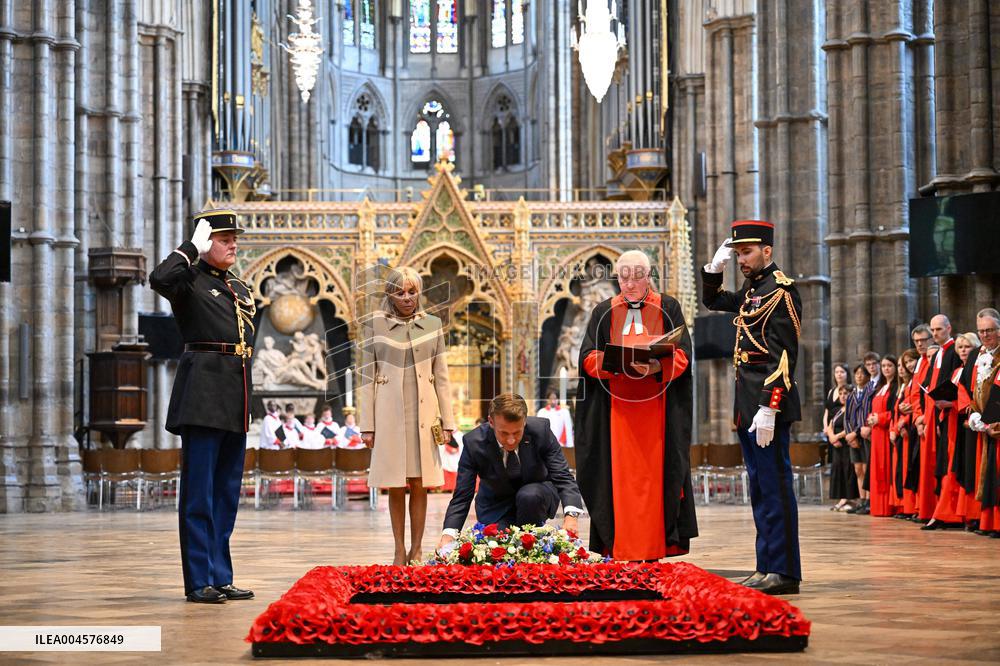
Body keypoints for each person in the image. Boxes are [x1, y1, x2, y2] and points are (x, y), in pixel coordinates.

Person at [148, 209, 256, 604]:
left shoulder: (240, 288)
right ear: (206, 241)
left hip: (235, 395)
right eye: (224, 239)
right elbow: (159, 277)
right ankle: (198, 580)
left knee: (226, 495)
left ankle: (220, 574)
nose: (233, 245)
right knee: (199, 495)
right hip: (202, 397)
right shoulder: (187, 280)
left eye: (234, 239)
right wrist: (191, 246)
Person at [574, 250, 697, 561]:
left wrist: (656, 366)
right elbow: (587, 357)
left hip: (658, 414)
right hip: (617, 416)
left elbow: (682, 354)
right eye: (623, 276)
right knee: (620, 483)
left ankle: (654, 548)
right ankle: (621, 548)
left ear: (649, 275)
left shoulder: (668, 306)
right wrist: (615, 364)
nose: (629, 283)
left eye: (637, 275)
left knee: (655, 483)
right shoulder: (603, 311)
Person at [701, 220, 801, 595]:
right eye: (738, 253)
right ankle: (766, 565)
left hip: (767, 408)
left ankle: (785, 570)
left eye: (747, 253)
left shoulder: (781, 291)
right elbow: (713, 301)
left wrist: (770, 407)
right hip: (749, 406)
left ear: (768, 252)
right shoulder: (753, 290)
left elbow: (785, 355)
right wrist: (715, 269)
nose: (742, 259)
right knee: (760, 488)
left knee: (775, 486)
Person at [359, 266, 456, 565]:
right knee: (396, 484)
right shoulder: (374, 324)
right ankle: (399, 549)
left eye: (412, 292)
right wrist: (367, 425)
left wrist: (449, 422)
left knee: (419, 483)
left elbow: (442, 377)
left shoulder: (432, 324)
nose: (406, 298)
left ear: (419, 293)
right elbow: (365, 376)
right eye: (400, 292)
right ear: (389, 293)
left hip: (424, 415)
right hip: (388, 414)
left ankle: (416, 550)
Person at [436, 394, 584, 553]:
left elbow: (562, 476)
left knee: (529, 497)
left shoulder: (541, 431)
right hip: (495, 505)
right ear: (491, 422)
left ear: (525, 421)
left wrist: (571, 516)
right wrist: (448, 534)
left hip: (535, 497)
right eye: (504, 433)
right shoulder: (474, 443)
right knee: (500, 551)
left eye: (517, 432)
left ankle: (533, 542)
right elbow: (462, 495)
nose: (511, 440)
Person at [917, 314, 962, 529]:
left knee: (949, 463)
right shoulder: (937, 354)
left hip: (951, 414)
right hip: (938, 414)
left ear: (949, 328)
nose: (935, 334)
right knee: (940, 465)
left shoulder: (953, 351)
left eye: (939, 330)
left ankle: (948, 514)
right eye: (933, 330)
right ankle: (938, 511)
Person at [964, 309, 1000, 536]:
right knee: (989, 476)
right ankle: (990, 523)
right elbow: (971, 389)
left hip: (997, 423)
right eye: (982, 331)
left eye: (990, 330)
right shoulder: (979, 355)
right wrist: (975, 416)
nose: (985, 335)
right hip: (986, 425)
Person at [866, 356, 899, 517]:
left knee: (885, 468)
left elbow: (894, 411)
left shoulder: (895, 388)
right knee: (877, 469)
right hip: (877, 434)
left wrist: (880, 418)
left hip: (886, 433)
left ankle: (887, 506)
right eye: (884, 366)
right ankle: (877, 507)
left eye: (889, 365)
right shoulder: (881, 387)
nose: (886, 369)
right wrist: (871, 418)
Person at [890, 349, 921, 518]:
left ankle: (911, 507)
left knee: (910, 468)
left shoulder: (912, 382)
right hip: (904, 431)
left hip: (911, 429)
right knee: (904, 469)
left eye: (909, 362)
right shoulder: (905, 386)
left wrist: (901, 423)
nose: (906, 367)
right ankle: (906, 507)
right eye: (903, 363)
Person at [845, 364, 872, 511]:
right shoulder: (852, 395)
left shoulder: (870, 391)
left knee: (866, 467)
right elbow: (847, 417)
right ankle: (861, 499)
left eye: (862, 374)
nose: (859, 376)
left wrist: (855, 433)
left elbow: (866, 414)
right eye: (857, 374)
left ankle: (869, 499)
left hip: (864, 435)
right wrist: (850, 436)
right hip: (853, 437)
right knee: (858, 469)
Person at [827, 385, 858, 511]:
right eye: (840, 394)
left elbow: (851, 426)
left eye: (846, 393)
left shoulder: (853, 410)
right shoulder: (838, 410)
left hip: (846, 444)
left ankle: (850, 499)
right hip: (837, 445)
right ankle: (842, 498)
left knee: (848, 471)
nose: (843, 396)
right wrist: (832, 437)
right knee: (839, 471)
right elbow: (830, 425)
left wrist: (837, 436)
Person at [822, 364, 850, 463]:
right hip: (830, 429)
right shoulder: (831, 391)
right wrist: (826, 427)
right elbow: (827, 411)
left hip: (841, 429)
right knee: (833, 461)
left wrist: (835, 436)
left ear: (847, 374)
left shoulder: (850, 391)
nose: (839, 374)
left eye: (842, 372)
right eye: (837, 372)